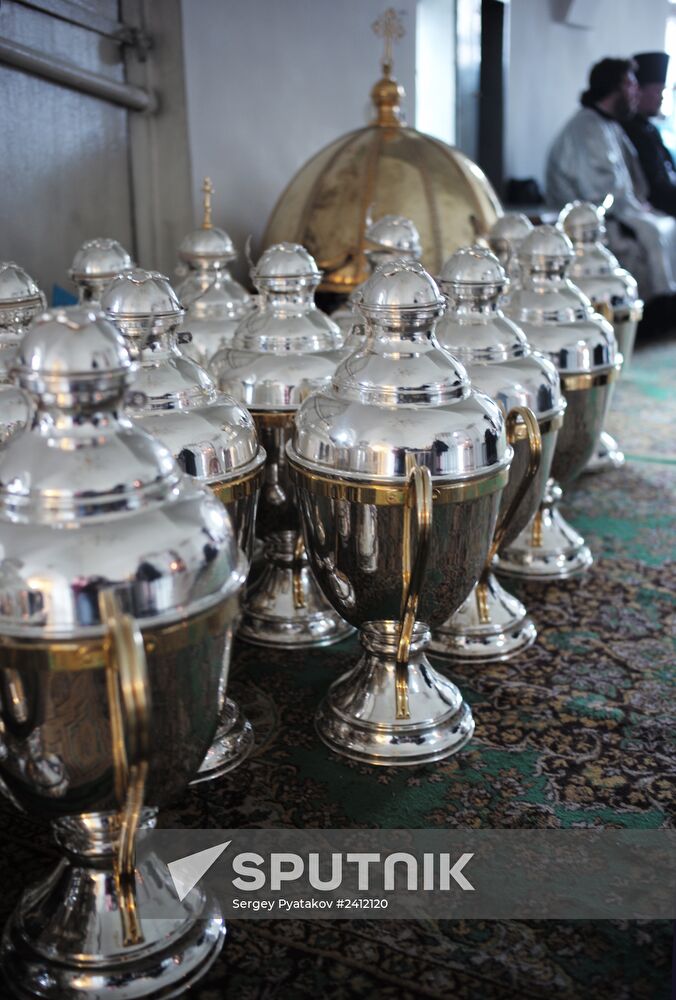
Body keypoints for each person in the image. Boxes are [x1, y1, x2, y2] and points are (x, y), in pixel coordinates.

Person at [546, 57, 676, 304]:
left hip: (619, 209)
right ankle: (658, 305)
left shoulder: (610, 125)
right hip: (588, 218)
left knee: (665, 223)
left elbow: (633, 176)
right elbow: (598, 190)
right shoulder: (586, 127)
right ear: (614, 88)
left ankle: (664, 303)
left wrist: (640, 202)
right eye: (630, 85)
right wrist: (636, 207)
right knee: (652, 230)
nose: (636, 92)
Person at [623, 52, 676, 216]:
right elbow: (652, 186)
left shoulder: (651, 129)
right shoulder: (630, 130)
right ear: (639, 91)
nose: (661, 98)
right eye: (657, 91)